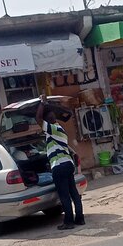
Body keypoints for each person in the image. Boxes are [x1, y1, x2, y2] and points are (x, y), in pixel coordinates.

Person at [35, 95, 84, 230]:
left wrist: (42, 103)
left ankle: (68, 222)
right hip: (68, 164)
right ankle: (80, 218)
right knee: (74, 193)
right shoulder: (59, 130)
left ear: (48, 120)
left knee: (64, 195)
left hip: (59, 166)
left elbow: (37, 119)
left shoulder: (52, 129)